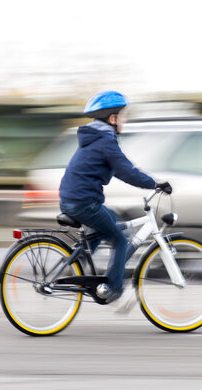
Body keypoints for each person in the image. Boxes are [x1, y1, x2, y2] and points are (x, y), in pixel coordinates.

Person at [59, 90, 171, 303]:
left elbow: (124, 167)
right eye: (123, 115)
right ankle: (114, 289)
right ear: (112, 118)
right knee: (120, 240)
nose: (125, 120)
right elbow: (126, 171)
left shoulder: (95, 139)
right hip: (84, 203)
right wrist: (154, 184)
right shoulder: (105, 141)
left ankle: (77, 263)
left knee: (110, 221)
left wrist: (147, 179)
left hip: (73, 199)